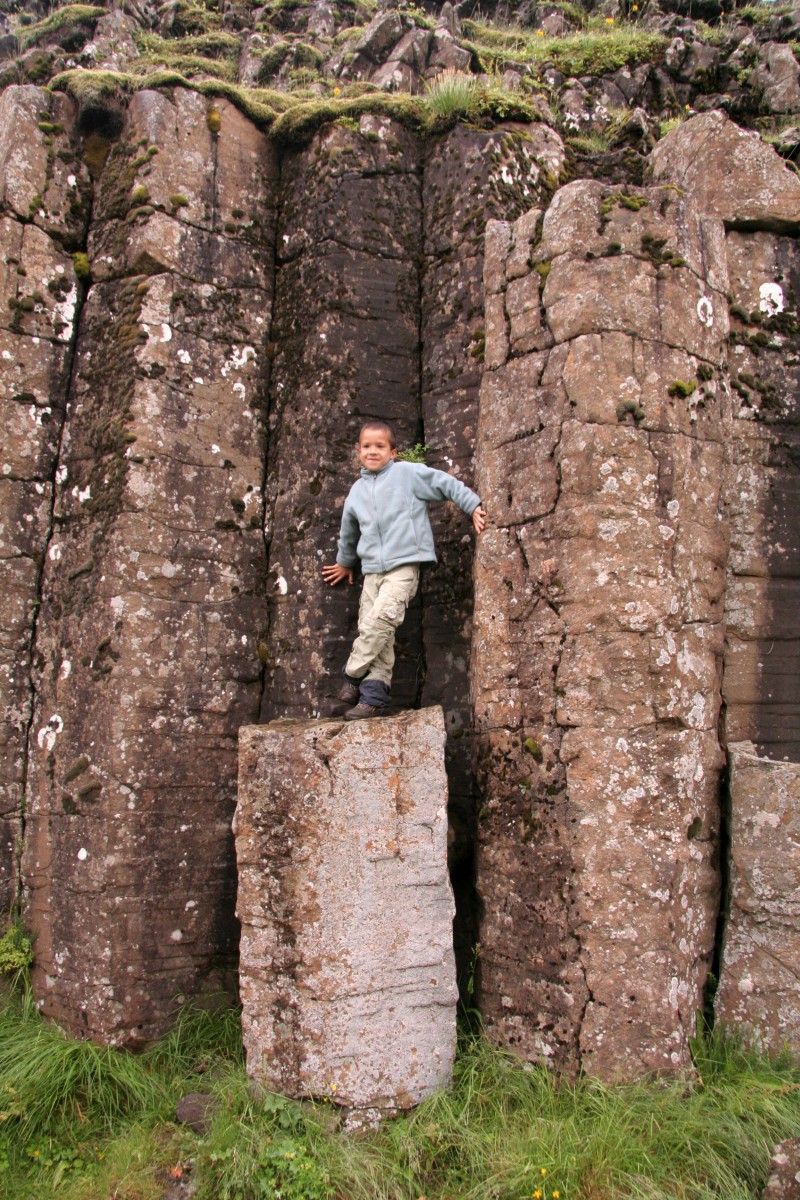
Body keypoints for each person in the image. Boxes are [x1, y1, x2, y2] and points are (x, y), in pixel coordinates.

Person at [322, 420, 486, 720]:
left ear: (393, 452)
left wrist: (472, 504)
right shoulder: (356, 491)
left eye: (380, 446)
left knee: (381, 622)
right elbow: (349, 532)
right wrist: (345, 562)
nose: (373, 451)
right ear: (358, 452)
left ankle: (351, 676)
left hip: (404, 566)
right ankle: (373, 699)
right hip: (372, 571)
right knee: (375, 632)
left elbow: (445, 483)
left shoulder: (407, 474)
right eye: (367, 446)